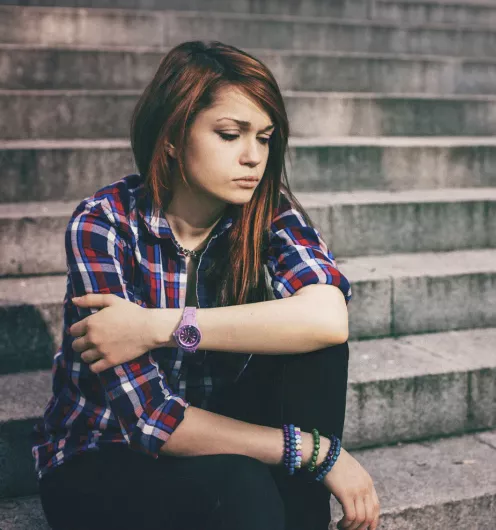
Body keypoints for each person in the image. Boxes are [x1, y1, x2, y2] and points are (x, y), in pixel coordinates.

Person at [30, 40, 380, 530]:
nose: (253, 158)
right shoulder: (105, 224)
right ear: (174, 135)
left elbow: (328, 318)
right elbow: (150, 418)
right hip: (104, 456)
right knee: (241, 484)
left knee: (317, 353)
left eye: (264, 137)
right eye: (230, 134)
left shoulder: (268, 213)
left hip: (216, 432)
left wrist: (162, 325)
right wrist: (312, 451)